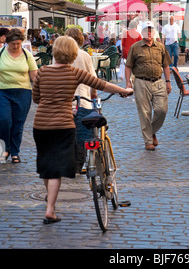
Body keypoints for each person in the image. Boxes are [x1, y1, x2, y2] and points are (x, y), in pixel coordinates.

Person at [32, 35, 133, 224]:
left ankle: (49, 199)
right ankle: (50, 209)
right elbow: (102, 85)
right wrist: (123, 90)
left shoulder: (42, 71)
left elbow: (36, 98)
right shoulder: (74, 73)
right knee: (56, 169)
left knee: (46, 165)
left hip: (41, 124)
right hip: (63, 124)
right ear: (72, 53)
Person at [125, 21, 172, 151]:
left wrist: (168, 82)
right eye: (146, 30)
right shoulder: (135, 47)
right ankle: (148, 141)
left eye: (151, 30)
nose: (149, 33)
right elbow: (128, 66)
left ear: (154, 32)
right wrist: (128, 82)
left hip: (158, 81)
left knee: (161, 110)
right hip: (141, 82)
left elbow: (166, 65)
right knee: (145, 113)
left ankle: (151, 131)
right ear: (142, 32)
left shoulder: (160, 47)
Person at [0, 28, 38, 163]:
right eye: (13, 44)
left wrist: (42, 88)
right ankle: (5, 149)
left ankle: (15, 152)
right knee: (4, 121)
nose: (16, 46)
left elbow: (34, 75)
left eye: (18, 44)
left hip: (23, 92)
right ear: (7, 42)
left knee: (18, 124)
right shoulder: (1, 53)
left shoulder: (27, 55)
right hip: (3, 91)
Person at [65, 27, 97, 173]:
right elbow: (93, 78)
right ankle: (78, 164)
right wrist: (94, 93)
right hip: (83, 99)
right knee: (82, 134)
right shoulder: (84, 55)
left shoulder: (59, 55)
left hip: (65, 99)